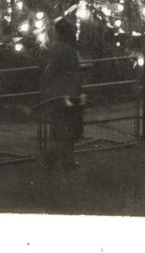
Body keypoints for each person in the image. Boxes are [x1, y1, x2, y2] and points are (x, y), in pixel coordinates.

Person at [38, 18, 84, 173]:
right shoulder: (67, 50)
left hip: (62, 94)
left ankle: (66, 160)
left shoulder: (57, 48)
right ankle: (53, 158)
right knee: (68, 130)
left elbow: (50, 73)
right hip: (67, 95)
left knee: (65, 130)